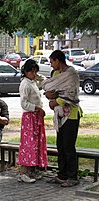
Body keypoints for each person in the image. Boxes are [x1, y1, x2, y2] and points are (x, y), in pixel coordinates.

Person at [41, 50, 82, 187]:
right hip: (59, 116)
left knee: (69, 146)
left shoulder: (71, 74)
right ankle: (62, 174)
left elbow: (71, 94)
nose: (51, 65)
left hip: (71, 115)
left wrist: (57, 100)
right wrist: (51, 98)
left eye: (52, 62)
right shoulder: (55, 74)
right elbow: (50, 90)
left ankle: (72, 177)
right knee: (61, 146)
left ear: (58, 61)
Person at [17, 59, 48, 183]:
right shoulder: (25, 84)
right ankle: (23, 171)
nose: (34, 74)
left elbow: (43, 80)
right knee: (28, 144)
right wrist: (36, 108)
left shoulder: (33, 81)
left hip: (36, 116)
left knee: (35, 143)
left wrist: (37, 74)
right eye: (32, 71)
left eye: (35, 71)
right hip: (30, 116)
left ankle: (31, 170)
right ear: (26, 71)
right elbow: (24, 103)